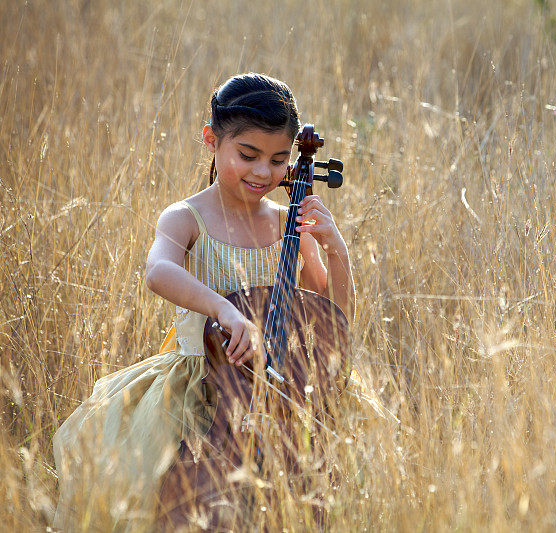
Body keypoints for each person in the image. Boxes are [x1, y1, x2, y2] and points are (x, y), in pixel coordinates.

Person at [52, 72, 355, 530]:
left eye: (278, 160)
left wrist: (337, 251)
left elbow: (332, 318)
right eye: (247, 155)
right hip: (198, 383)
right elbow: (159, 271)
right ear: (212, 140)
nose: (263, 173)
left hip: (279, 385)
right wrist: (223, 308)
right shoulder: (186, 216)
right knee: (166, 496)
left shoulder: (288, 222)